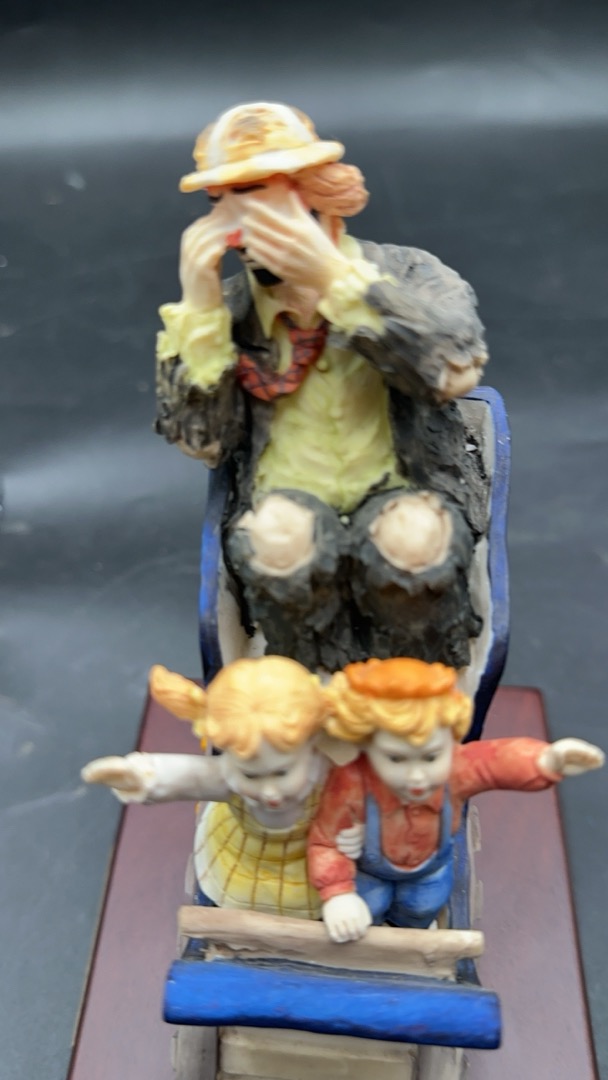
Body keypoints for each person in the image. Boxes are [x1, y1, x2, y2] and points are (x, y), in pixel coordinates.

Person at [155, 102, 490, 672]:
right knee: (280, 544)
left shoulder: (408, 275)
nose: (238, 230)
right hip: (284, 497)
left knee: (414, 542)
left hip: (402, 485)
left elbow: (453, 371)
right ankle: (312, 684)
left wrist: (335, 280)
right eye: (220, 205)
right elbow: (203, 442)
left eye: (258, 200)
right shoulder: (231, 310)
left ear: (317, 196)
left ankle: (418, 687)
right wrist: (202, 310)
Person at [307, 657, 604, 942]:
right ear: (366, 746)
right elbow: (326, 841)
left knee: (421, 907)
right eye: (396, 759)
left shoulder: (457, 768)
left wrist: (547, 760)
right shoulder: (351, 782)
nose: (417, 776)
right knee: (366, 909)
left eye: (431, 757)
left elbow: (496, 761)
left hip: (429, 871)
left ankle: (412, 939)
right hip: (370, 873)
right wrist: (338, 893)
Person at [81, 657, 360, 918]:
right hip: (243, 858)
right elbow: (189, 775)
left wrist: (355, 830)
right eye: (251, 776)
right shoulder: (227, 777)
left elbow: (359, 803)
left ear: (312, 743)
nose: (270, 792)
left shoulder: (327, 775)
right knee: (233, 900)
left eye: (282, 772)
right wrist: (139, 774)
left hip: (310, 860)